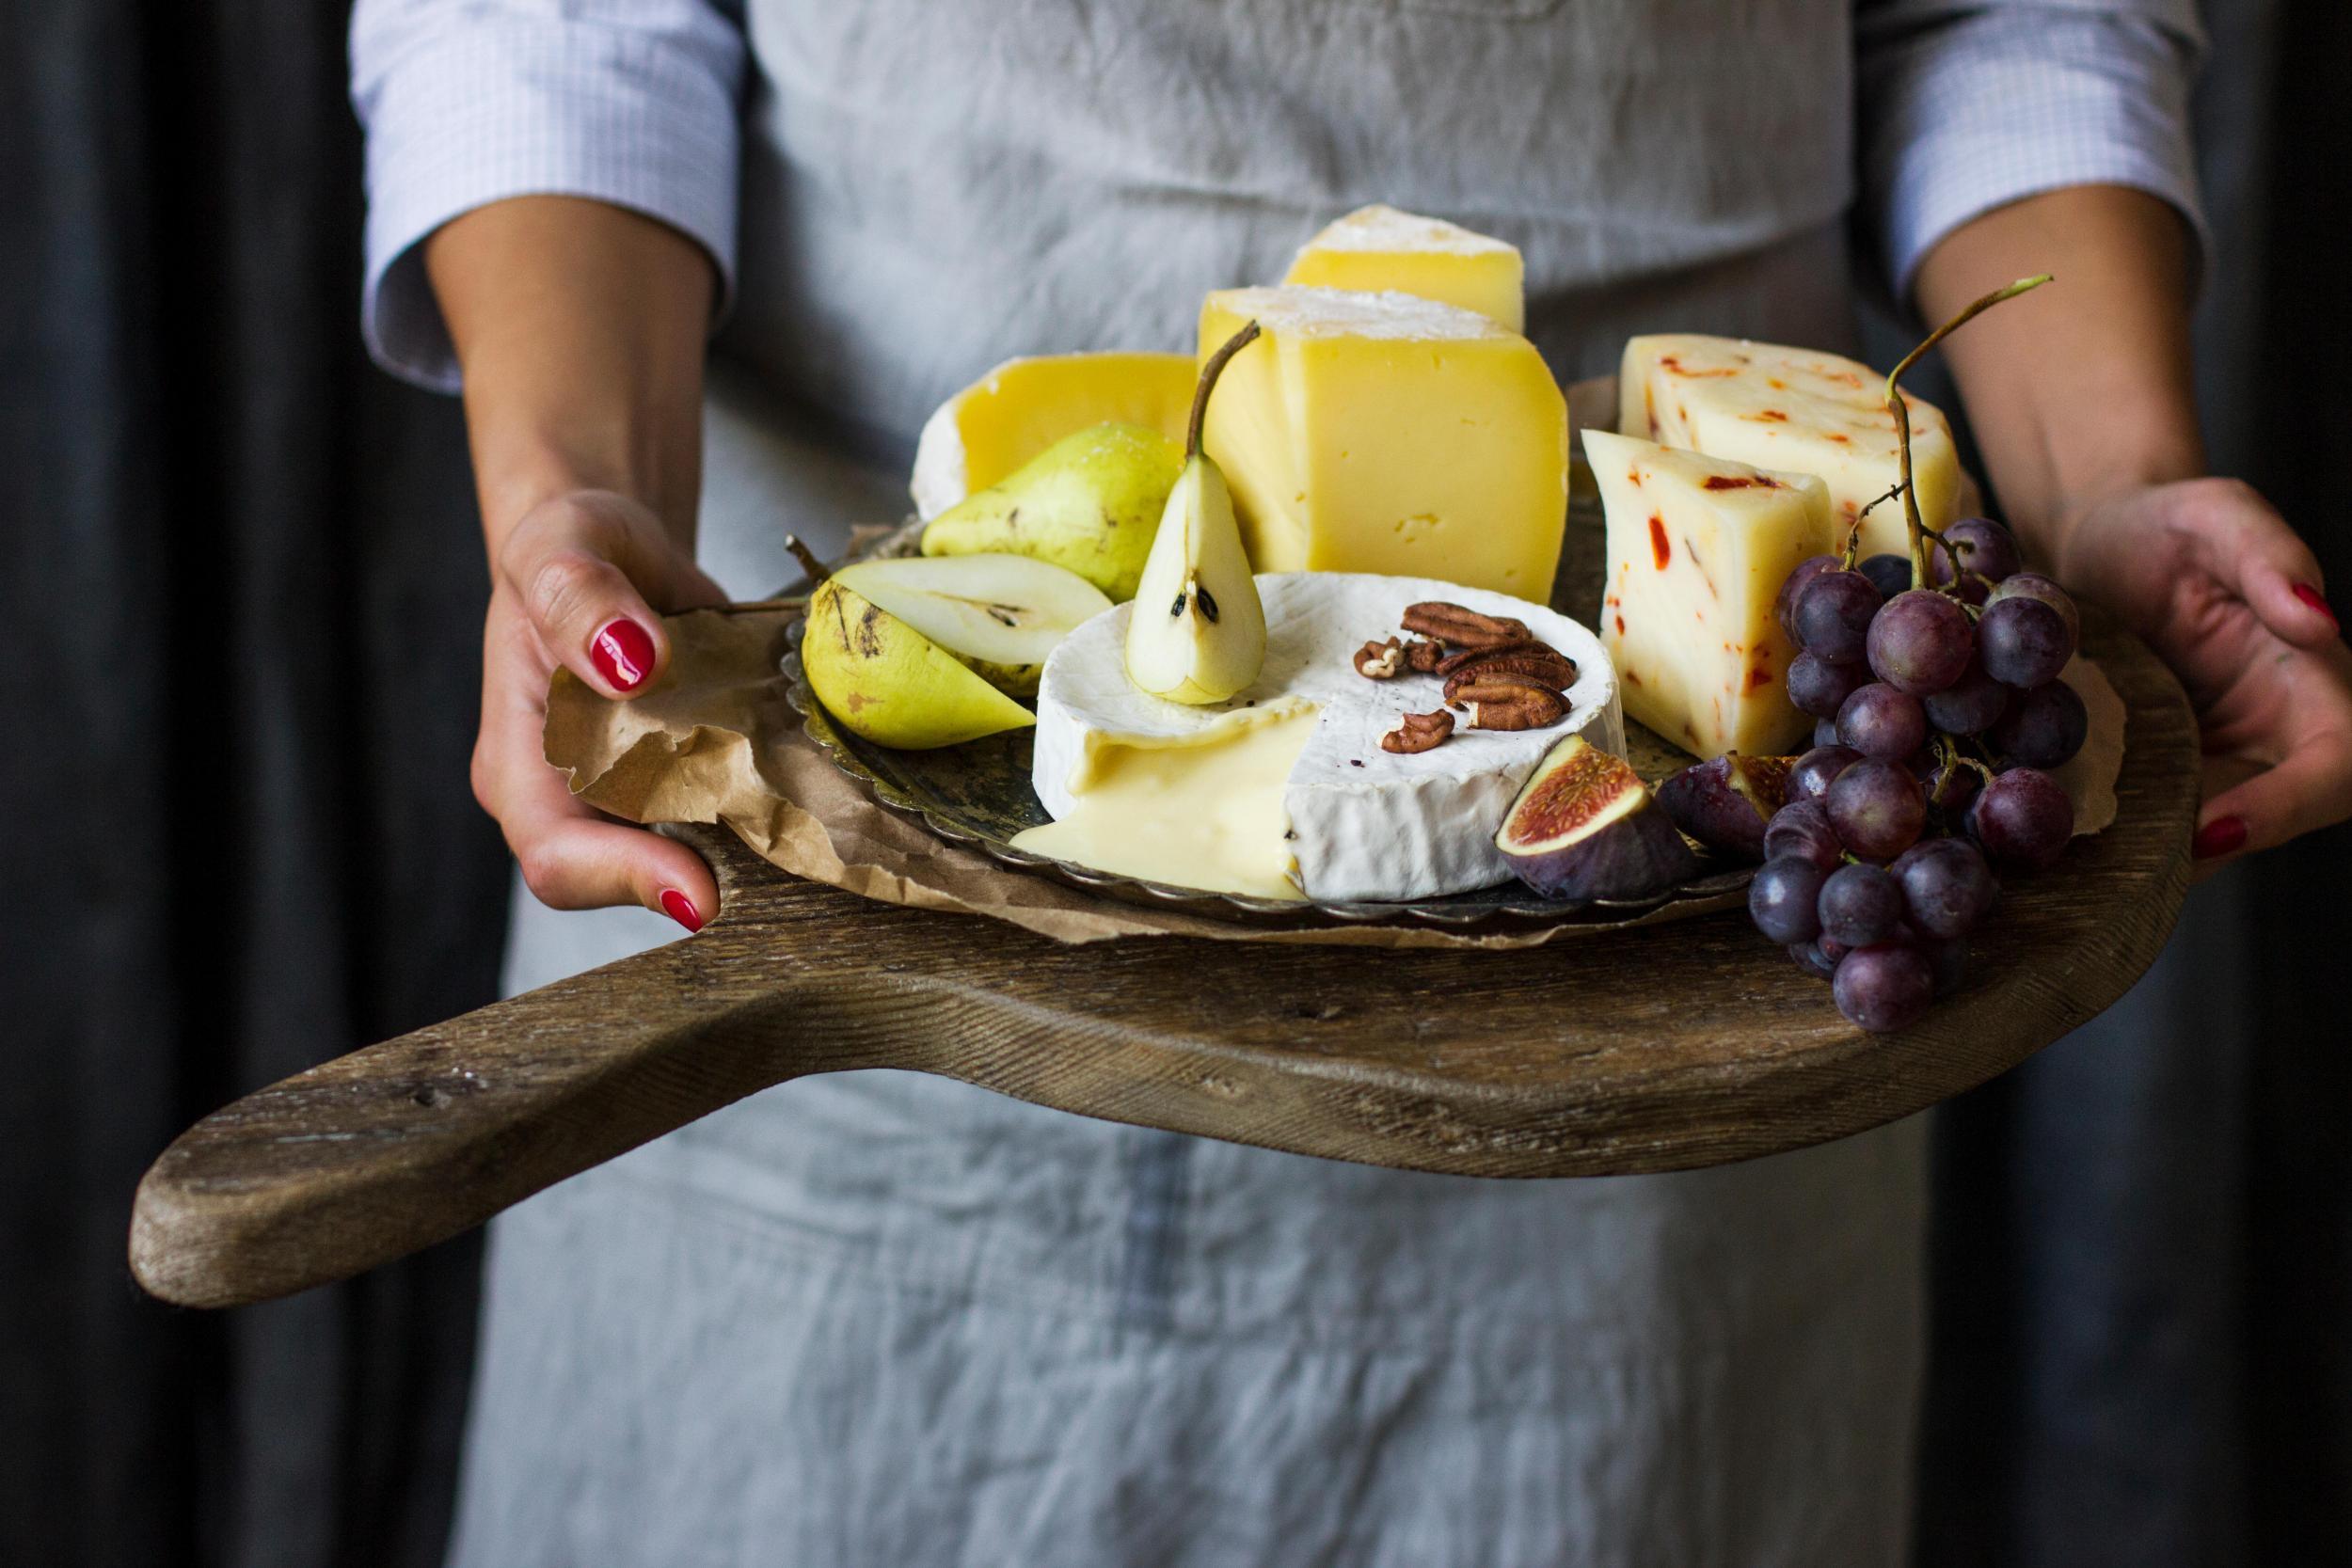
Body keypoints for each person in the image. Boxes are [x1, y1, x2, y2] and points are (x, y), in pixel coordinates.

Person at [351, 3, 2352, 1563]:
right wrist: (576, 501)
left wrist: (2095, 477)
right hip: (869, 800)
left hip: (1667, 882)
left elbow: (2005, 13)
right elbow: (552, 23)